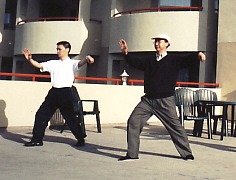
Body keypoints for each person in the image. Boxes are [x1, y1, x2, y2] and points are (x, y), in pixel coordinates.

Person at [118, 34, 206, 161]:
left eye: (160, 41)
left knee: (175, 126)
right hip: (148, 100)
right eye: (155, 41)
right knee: (133, 121)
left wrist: (198, 54)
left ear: (167, 44)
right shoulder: (149, 60)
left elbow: (187, 58)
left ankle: (186, 153)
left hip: (166, 100)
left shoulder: (174, 59)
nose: (157, 43)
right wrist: (126, 53)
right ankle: (132, 154)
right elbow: (136, 62)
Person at [23, 41, 94, 147]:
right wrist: (30, 59)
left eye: (59, 49)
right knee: (41, 115)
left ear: (67, 50)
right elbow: (39, 65)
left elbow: (81, 63)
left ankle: (80, 138)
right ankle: (37, 139)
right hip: (54, 92)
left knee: (71, 118)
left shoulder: (71, 63)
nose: (57, 51)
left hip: (66, 93)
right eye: (57, 49)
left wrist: (87, 59)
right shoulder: (53, 63)